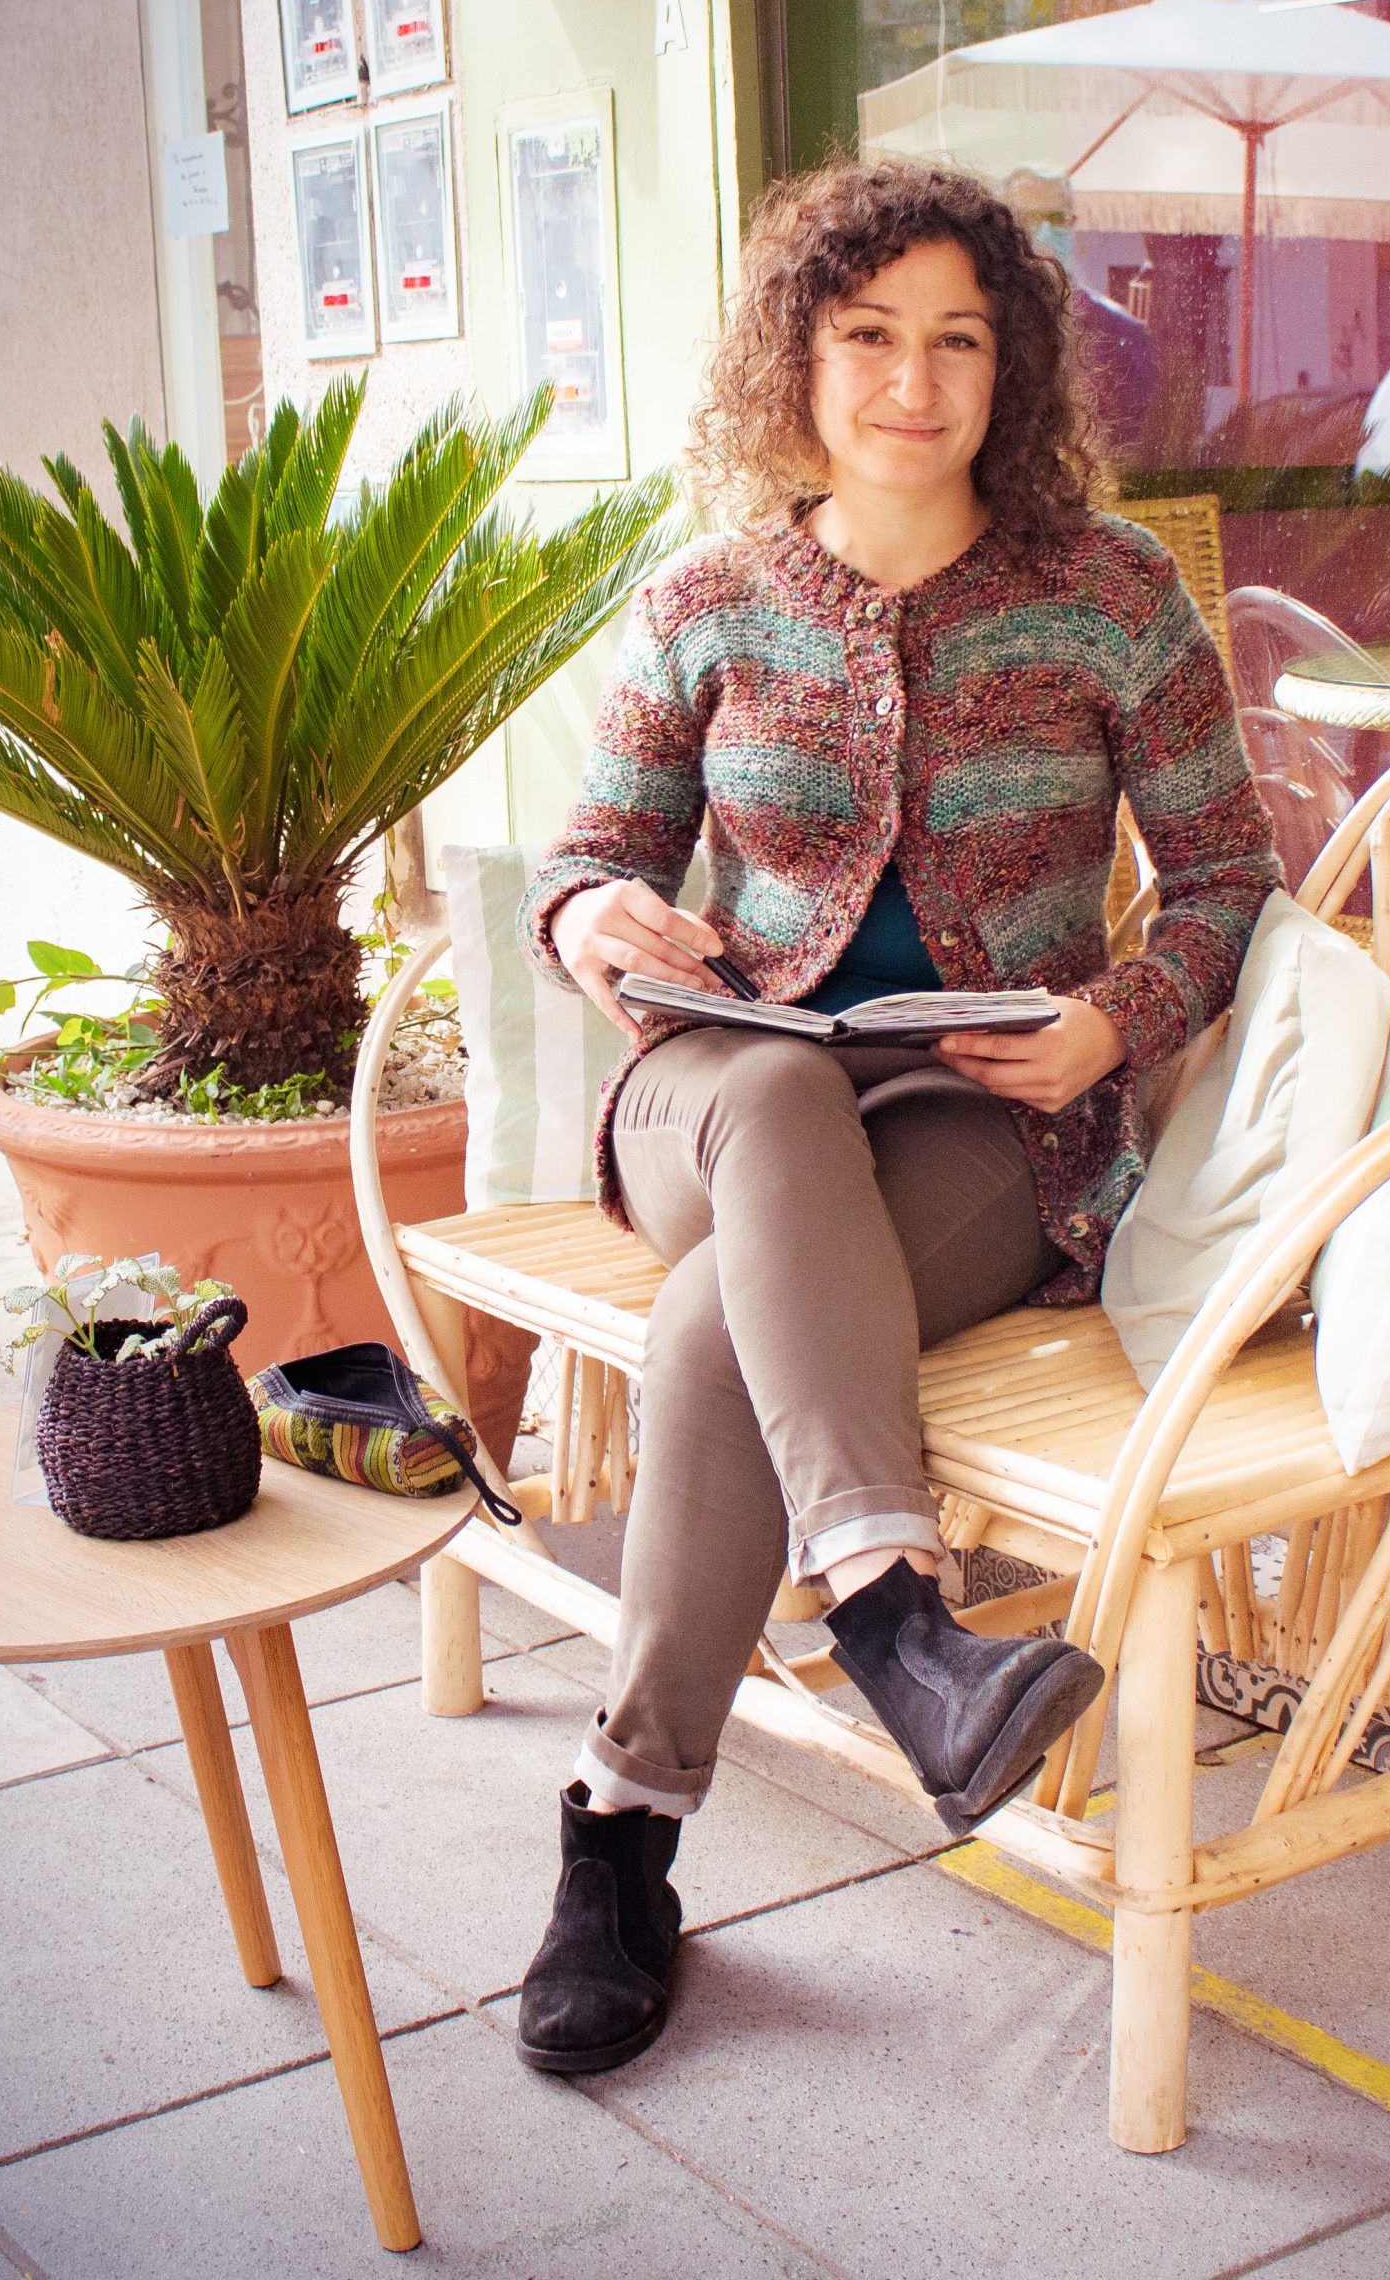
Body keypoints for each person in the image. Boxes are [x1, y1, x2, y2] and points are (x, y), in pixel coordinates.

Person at [511, 157, 1280, 2076]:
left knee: (719, 1327)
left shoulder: (1114, 598)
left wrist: (1115, 1028)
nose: (911, 384)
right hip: (714, 1090)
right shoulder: (705, 599)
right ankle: (893, 1612)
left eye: (956, 342)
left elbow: (1225, 883)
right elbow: (589, 857)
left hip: (984, 1120)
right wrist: (600, 914)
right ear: (802, 356)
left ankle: (618, 1835)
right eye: (868, 337)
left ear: (1011, 372)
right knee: (773, 1083)